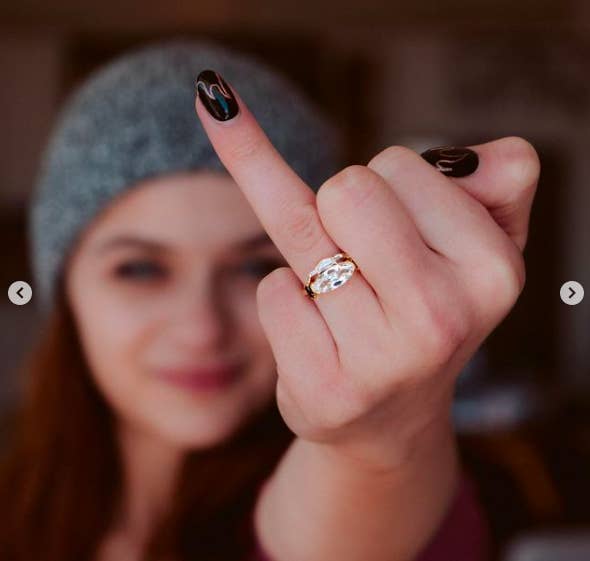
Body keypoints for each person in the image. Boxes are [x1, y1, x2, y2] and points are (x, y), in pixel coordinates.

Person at [0, 38, 539, 561]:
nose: (202, 329)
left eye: (256, 267)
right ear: (65, 289)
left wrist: (378, 436)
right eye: (140, 269)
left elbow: (352, 505)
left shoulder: (395, 505)